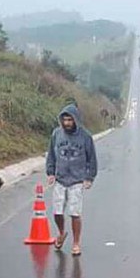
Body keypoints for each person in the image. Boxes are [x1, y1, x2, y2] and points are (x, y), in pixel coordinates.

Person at [46, 103, 98, 256]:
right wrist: (50, 172)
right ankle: (61, 233)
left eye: (70, 120)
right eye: (65, 120)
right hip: (60, 178)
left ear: (76, 120)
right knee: (57, 212)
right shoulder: (56, 134)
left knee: (75, 213)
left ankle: (76, 243)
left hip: (77, 179)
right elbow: (51, 154)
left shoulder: (85, 137)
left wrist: (89, 177)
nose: (67, 123)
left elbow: (92, 159)